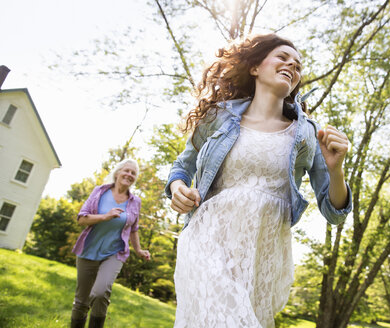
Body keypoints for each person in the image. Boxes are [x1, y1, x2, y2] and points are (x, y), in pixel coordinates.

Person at [165, 34, 352, 327]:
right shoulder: (219, 117)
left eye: (298, 65)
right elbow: (181, 167)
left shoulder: (307, 134)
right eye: (282, 57)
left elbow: (334, 211)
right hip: (208, 239)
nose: (292, 65)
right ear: (254, 68)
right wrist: (178, 189)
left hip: (263, 254)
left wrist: (336, 169)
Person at [70, 159, 150, 328]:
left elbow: (134, 228)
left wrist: (139, 250)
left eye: (133, 173)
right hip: (88, 250)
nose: (129, 175)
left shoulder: (135, 201)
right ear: (117, 173)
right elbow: (82, 219)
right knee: (81, 302)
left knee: (100, 293)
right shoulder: (100, 192)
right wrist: (105, 216)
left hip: (114, 253)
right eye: (126, 171)